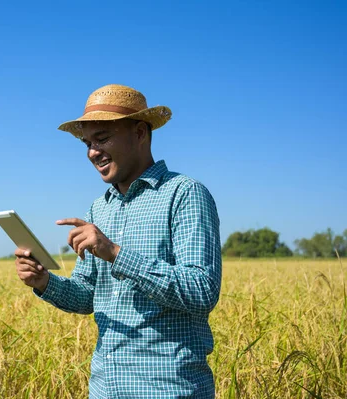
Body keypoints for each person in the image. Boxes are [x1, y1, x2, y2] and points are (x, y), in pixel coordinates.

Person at [14, 84, 222, 398]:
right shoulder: (99, 209)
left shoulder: (184, 194)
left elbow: (201, 290)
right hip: (106, 387)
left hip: (167, 388)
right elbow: (87, 297)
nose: (92, 152)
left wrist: (114, 253)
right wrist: (44, 281)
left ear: (140, 133)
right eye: (87, 143)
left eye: (102, 138)